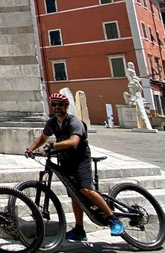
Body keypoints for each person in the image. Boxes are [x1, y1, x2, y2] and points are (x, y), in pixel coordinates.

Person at [25, 93, 124, 241]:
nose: (57, 107)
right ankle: (79, 229)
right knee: (74, 194)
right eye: (54, 105)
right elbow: (43, 137)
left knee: (85, 189)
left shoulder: (74, 122)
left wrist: (53, 146)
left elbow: (74, 141)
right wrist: (31, 149)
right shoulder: (52, 122)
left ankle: (113, 219)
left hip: (80, 160)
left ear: (66, 106)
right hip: (65, 160)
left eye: (60, 104)